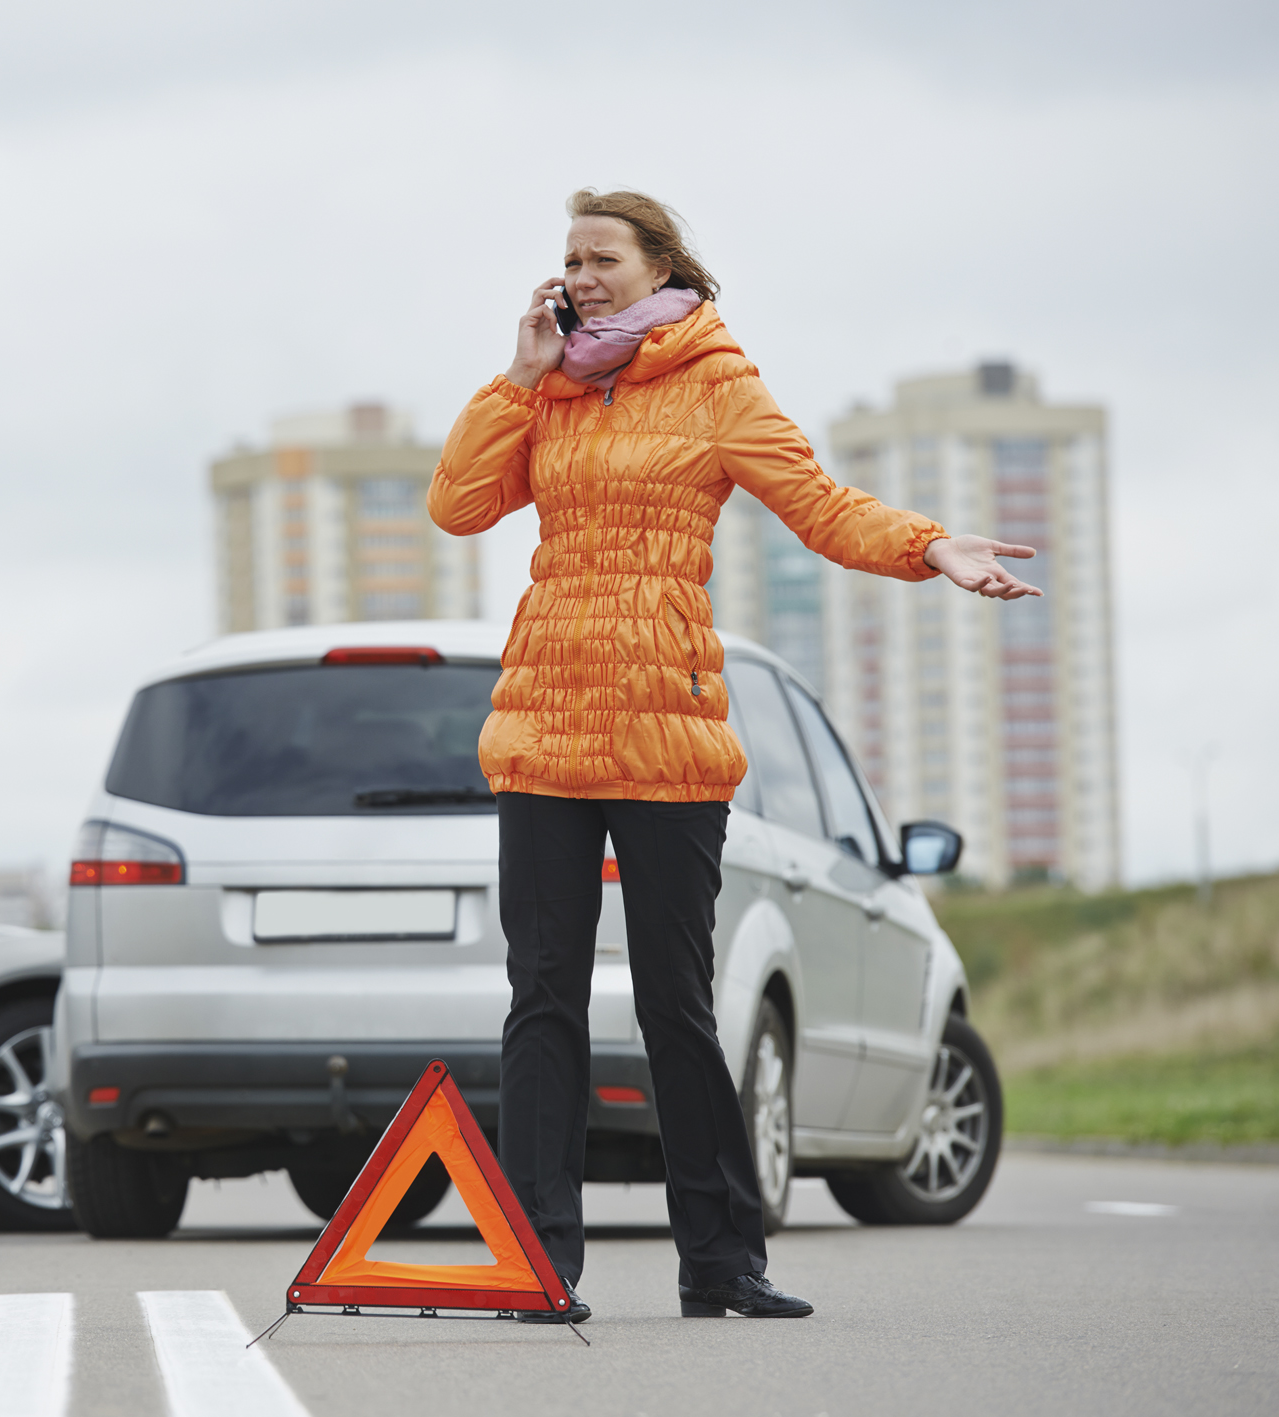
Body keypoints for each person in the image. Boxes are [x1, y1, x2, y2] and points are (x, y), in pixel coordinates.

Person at [429, 189, 1039, 1321]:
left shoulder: (716, 382)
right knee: (542, 998)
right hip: (544, 732)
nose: (580, 274)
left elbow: (815, 505)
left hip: (666, 735)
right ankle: (535, 1264)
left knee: (676, 1003)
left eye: (601, 255)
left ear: (659, 263)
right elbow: (456, 505)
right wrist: (515, 376)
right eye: (568, 258)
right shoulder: (550, 388)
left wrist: (929, 546)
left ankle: (719, 1258)